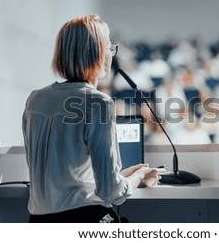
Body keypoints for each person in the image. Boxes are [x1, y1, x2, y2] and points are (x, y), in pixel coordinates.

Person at [22, 15, 162, 223]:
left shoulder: (36, 99)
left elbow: (69, 180)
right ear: (96, 53)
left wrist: (123, 176)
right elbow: (112, 193)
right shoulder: (98, 103)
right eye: (109, 47)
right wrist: (138, 177)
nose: (111, 54)